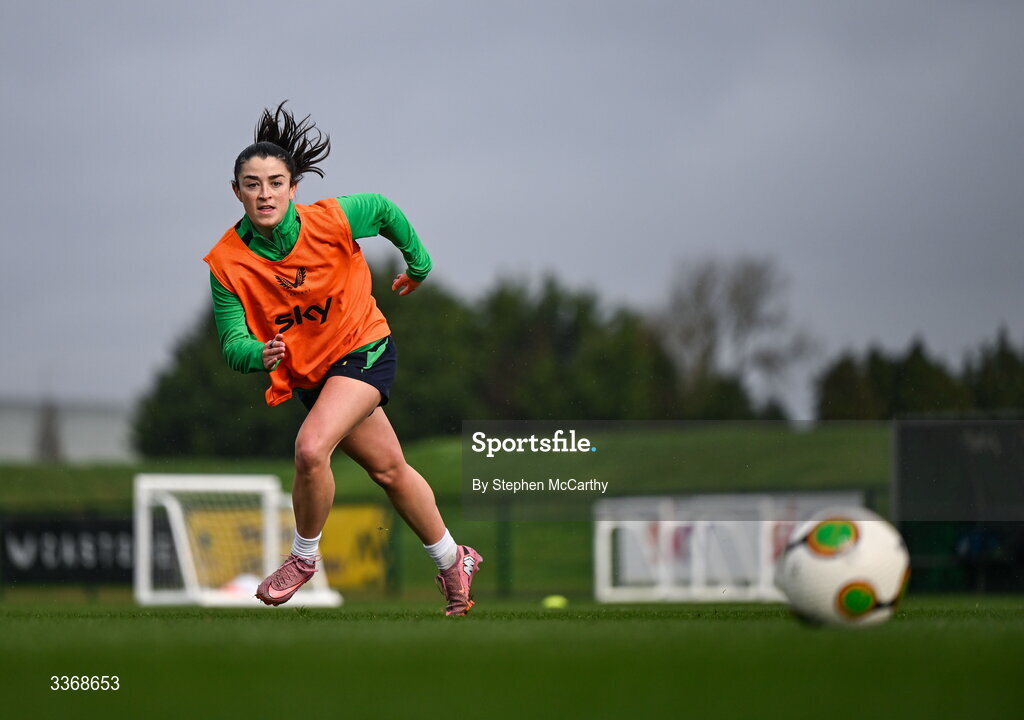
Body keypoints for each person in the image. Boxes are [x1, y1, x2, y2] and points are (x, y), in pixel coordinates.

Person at [203, 102, 482, 615]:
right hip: (314, 377)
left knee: (311, 448)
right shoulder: (226, 262)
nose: (264, 193)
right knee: (391, 471)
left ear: (293, 188)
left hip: (364, 348)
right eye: (252, 183)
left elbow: (380, 207)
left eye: (275, 182)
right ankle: (452, 558)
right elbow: (231, 344)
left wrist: (418, 261)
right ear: (236, 191)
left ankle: (303, 559)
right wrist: (258, 353)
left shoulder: (329, 219)